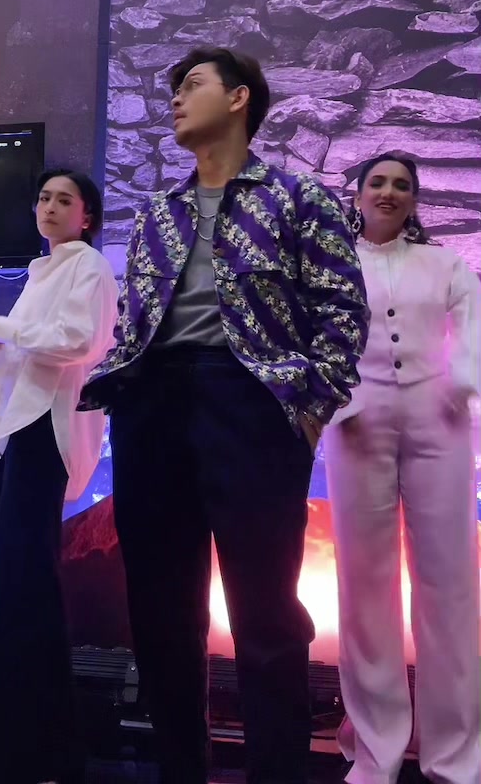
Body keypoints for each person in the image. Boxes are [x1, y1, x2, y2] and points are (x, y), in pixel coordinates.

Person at [78, 46, 369, 784]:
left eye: (192, 84)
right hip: (154, 408)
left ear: (239, 98)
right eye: (173, 88)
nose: (176, 98)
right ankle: (181, 770)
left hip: (250, 405)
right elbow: (136, 322)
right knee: (160, 611)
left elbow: (343, 311)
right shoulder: (158, 212)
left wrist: (308, 410)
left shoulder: (300, 198)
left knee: (266, 613)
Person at [0, 170, 119, 784]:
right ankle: (0, 745)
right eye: (44, 197)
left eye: (64, 200)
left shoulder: (89, 268)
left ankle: (44, 753)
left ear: (86, 217)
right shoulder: (40, 273)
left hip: (42, 437)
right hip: (5, 436)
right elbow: (26, 362)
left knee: (22, 594)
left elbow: (78, 342)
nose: (49, 206)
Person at [324, 153, 481, 784]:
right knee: (364, 586)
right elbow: (311, 334)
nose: (388, 192)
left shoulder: (445, 265)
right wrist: (334, 400)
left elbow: (471, 329)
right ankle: (376, 751)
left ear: (415, 199)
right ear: (358, 193)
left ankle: (456, 756)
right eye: (378, 182)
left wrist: (462, 383)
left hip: (439, 418)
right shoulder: (333, 265)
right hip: (356, 421)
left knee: (450, 584)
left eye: (401, 185)